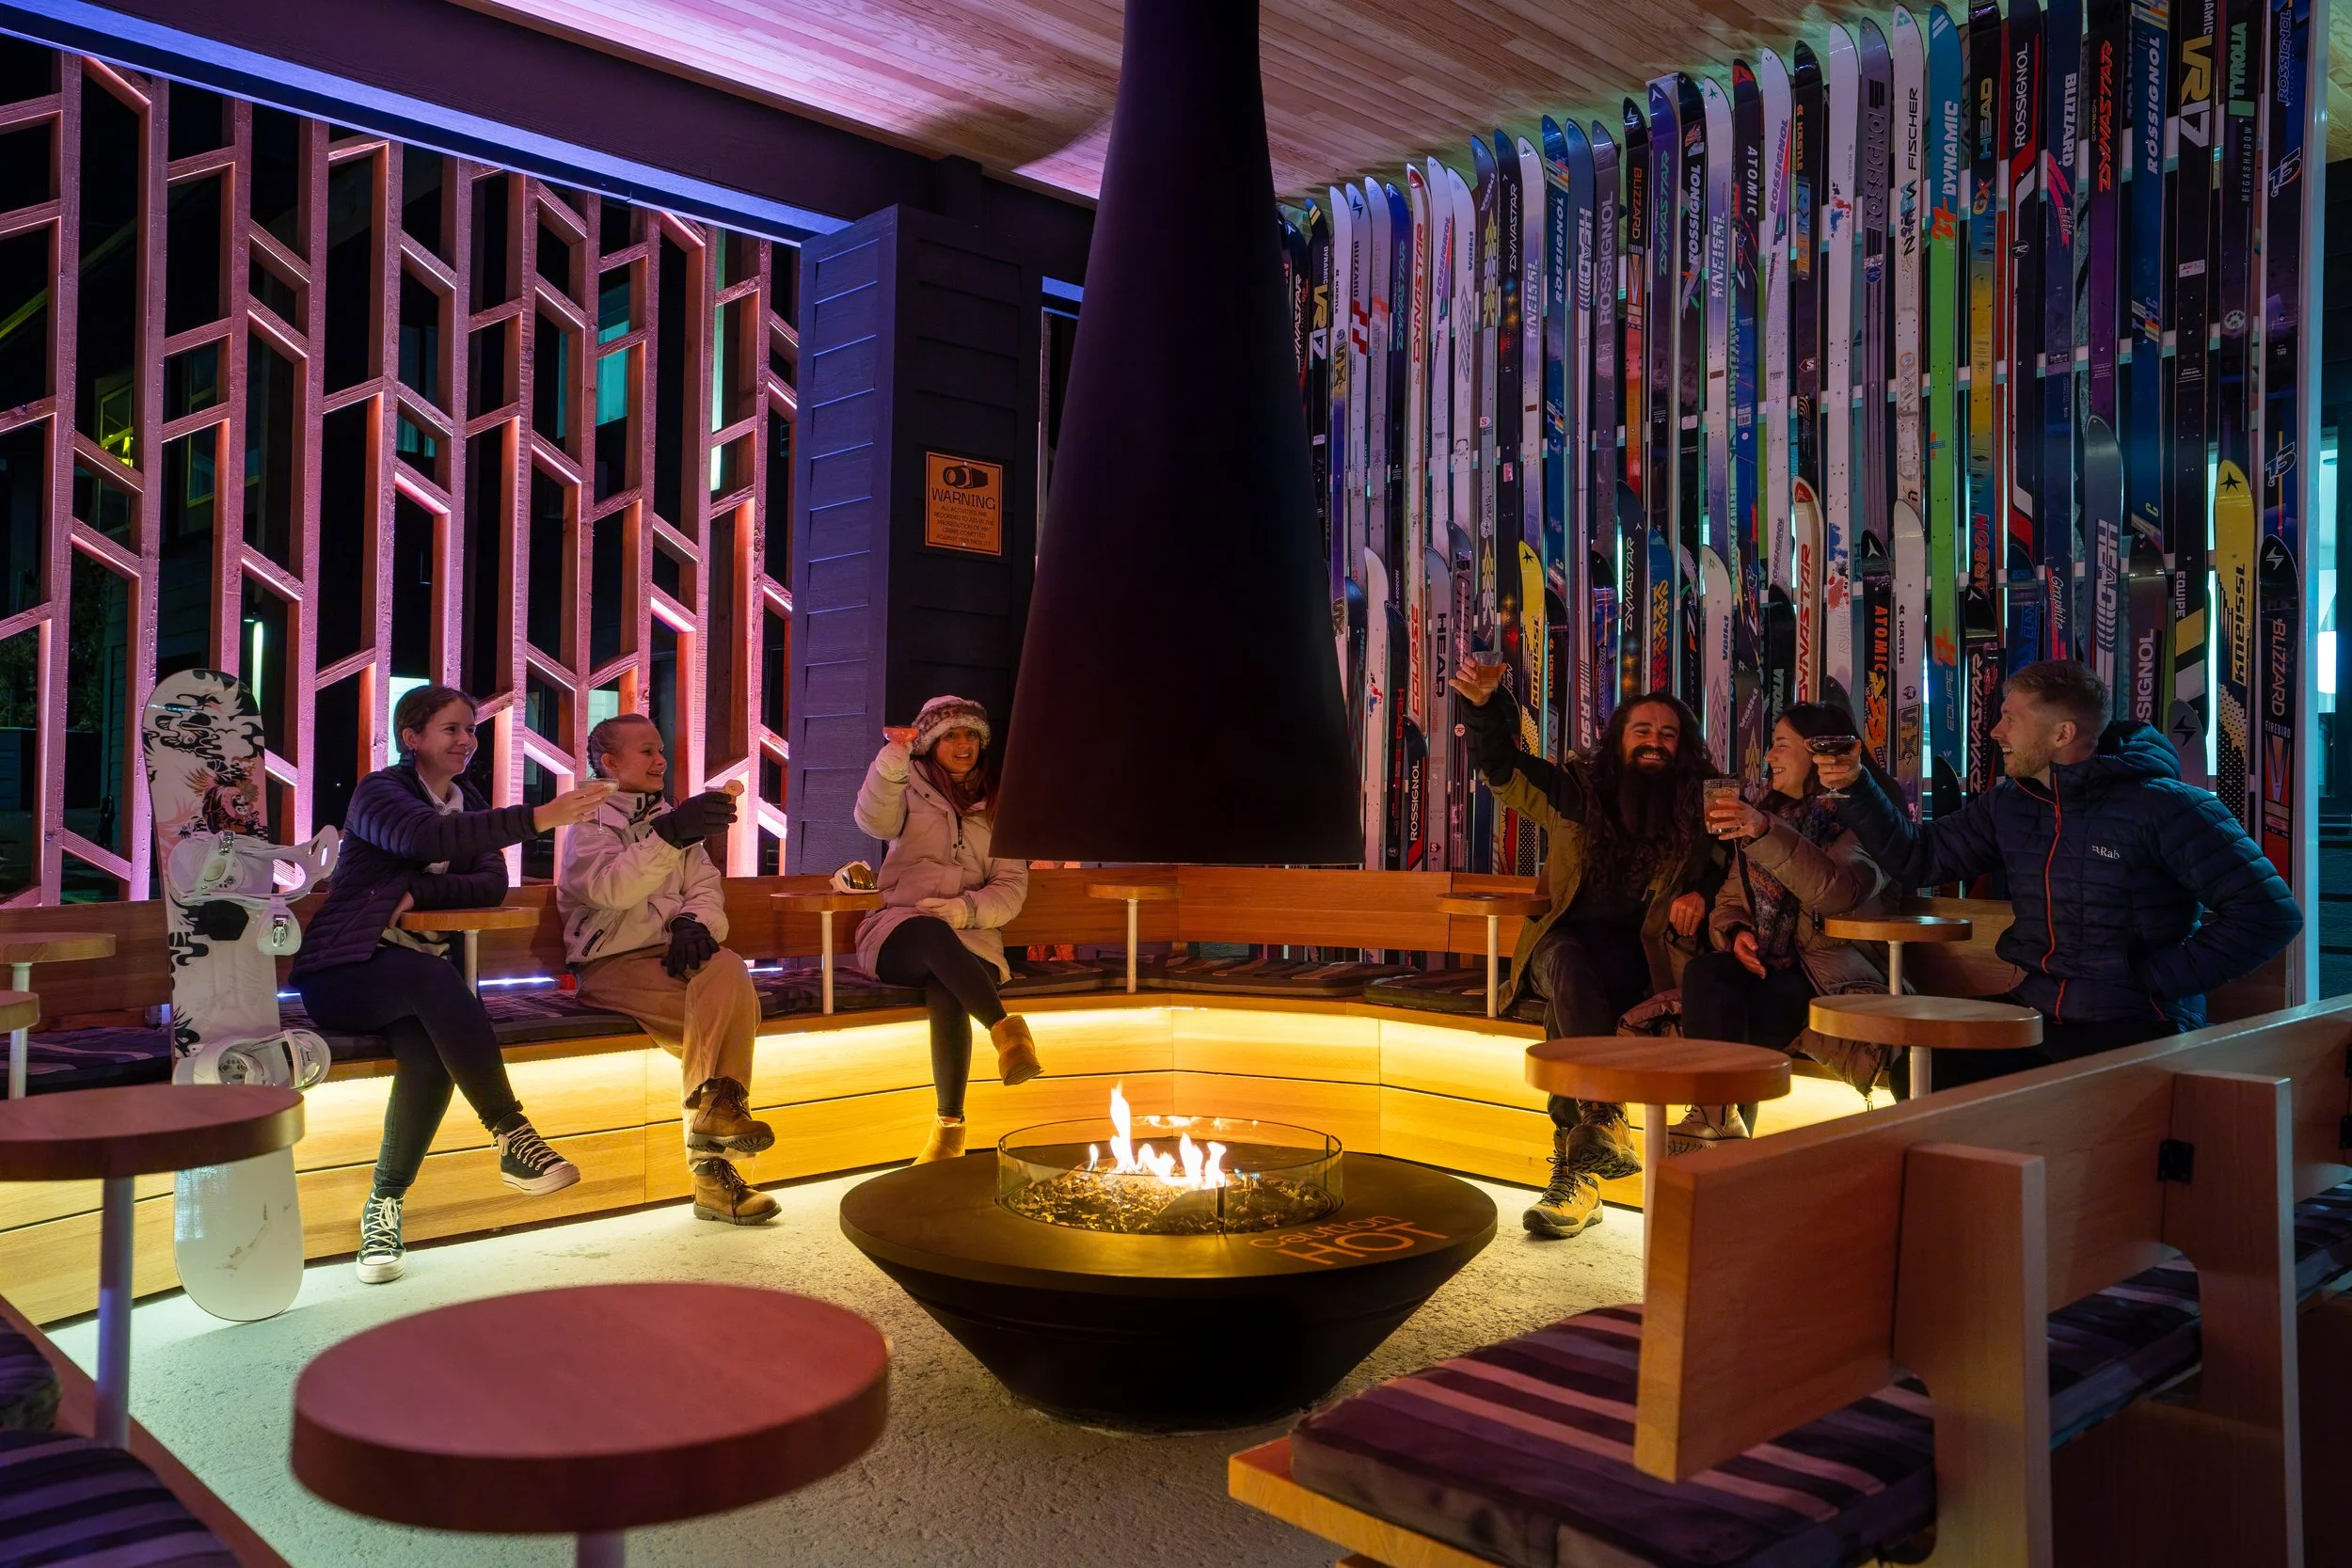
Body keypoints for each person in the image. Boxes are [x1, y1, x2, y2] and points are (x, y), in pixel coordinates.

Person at [1813, 658, 2301, 1085]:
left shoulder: (2168, 807)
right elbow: (1919, 858)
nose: (1996, 731)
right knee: (1924, 1074)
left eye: (2011, 718)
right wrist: (1856, 786)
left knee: (2075, 1108)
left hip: (2136, 1020)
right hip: (2039, 1009)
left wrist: (2149, 977)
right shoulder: (2012, 803)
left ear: (2062, 734)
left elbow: (2269, 915)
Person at [293, 685, 609, 1284]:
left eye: (471, 729)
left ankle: (383, 1206)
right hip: (343, 973)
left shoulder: (469, 804)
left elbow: (490, 883)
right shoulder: (378, 792)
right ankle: (511, 1132)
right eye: (451, 729)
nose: (467, 740)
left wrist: (417, 892)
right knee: (432, 977)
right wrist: (541, 817)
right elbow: (423, 839)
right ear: (412, 737)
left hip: (420, 988)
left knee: (432, 1054)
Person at [1451, 660, 1726, 1242]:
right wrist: (1483, 708)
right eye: (1642, 731)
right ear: (1619, 738)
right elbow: (1503, 770)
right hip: (1559, 945)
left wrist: (1702, 892)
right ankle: (1601, 1117)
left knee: (1574, 1006)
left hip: (1643, 961)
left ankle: (1581, 1171)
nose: (1655, 742)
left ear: (1683, 748)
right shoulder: (1575, 791)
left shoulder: (1699, 808)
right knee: (1571, 972)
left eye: (1668, 734)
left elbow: (1733, 865)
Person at [558, 713, 778, 1227]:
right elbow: (611, 890)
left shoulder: (671, 818)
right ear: (609, 763)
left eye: (660, 750)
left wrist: (692, 923)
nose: (660, 760)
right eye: (647, 752)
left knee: (726, 965)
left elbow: (705, 887)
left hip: (670, 959)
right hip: (610, 962)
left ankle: (717, 1120)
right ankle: (713, 1167)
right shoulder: (588, 819)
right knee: (727, 1018)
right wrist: (670, 836)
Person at [1679, 703, 1902, 1144]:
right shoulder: (1771, 812)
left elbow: (1837, 893)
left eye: (1780, 744)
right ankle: (1718, 1120)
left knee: (1736, 1020)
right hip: (1774, 965)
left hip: (1834, 979)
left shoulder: (1866, 817)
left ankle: (1719, 1131)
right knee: (1706, 972)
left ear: (1819, 753)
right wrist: (1737, 932)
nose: (1769, 757)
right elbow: (1730, 900)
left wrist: (1765, 832)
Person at [853, 695, 1037, 1163]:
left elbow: (1011, 886)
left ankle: (949, 1130)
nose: (963, 744)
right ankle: (1006, 1031)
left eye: (971, 734)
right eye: (951, 735)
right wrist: (889, 767)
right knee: (932, 935)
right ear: (931, 743)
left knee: (949, 985)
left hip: (972, 935)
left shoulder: (1000, 803)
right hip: (899, 928)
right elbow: (873, 821)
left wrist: (966, 910)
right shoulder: (907, 784)